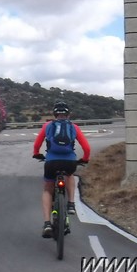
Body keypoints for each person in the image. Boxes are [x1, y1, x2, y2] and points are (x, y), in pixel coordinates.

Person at [32, 100, 90, 238]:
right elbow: (87, 148)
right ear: (68, 114)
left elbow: (36, 145)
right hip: (69, 162)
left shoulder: (47, 126)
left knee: (47, 190)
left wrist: (37, 154)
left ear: (55, 114)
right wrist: (85, 159)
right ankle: (70, 204)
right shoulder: (74, 127)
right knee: (70, 175)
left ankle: (47, 224)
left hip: (51, 162)